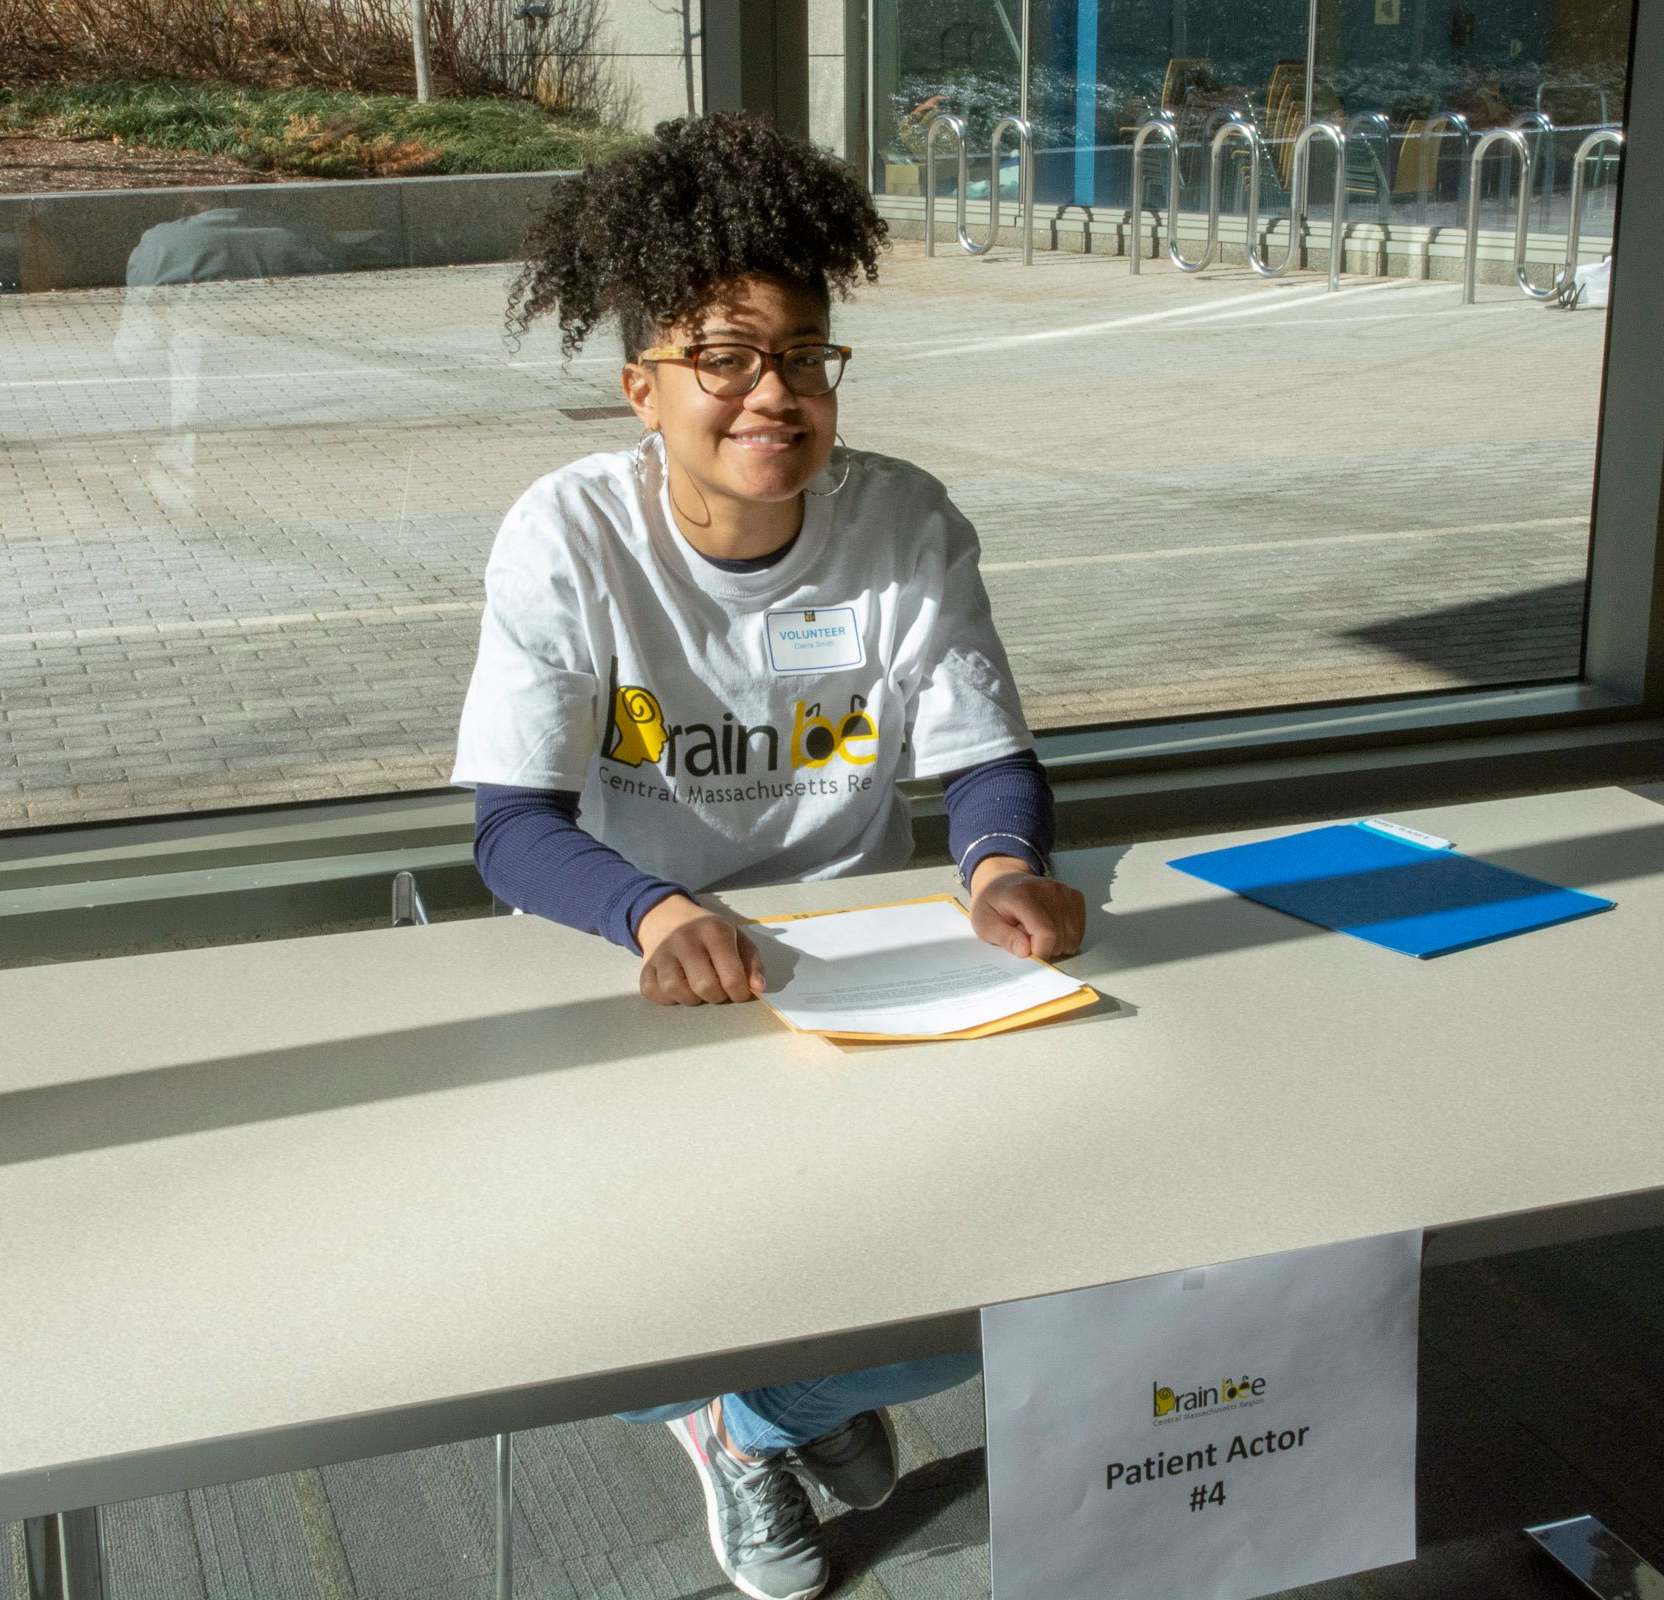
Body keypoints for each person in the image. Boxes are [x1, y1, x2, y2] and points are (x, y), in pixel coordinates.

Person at [451, 111, 1087, 1600]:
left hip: (857, 969)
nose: (774, 393)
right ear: (643, 387)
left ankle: (760, 1419)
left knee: (1027, 1260)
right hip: (635, 962)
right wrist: (655, 911)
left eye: (804, 356)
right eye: (725, 358)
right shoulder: (568, 535)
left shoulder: (901, 519)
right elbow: (510, 825)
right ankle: (778, 1407)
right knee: (575, 1306)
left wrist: (1000, 869)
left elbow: (987, 760)